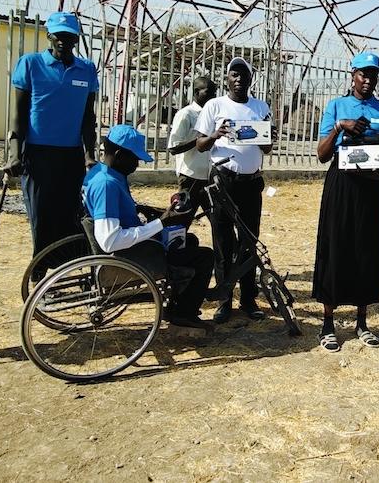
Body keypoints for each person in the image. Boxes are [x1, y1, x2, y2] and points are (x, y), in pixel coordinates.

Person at [312, 51, 379, 352]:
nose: (367, 80)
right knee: (335, 246)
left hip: (371, 188)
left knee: (367, 248)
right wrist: (340, 127)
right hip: (341, 184)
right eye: (363, 74)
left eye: (372, 74)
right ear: (352, 75)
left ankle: (362, 321)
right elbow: (322, 154)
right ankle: (327, 323)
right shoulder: (336, 106)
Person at [83, 125, 215, 328]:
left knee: (189, 240)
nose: (137, 164)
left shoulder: (100, 173)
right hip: (132, 256)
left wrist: (143, 210)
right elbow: (110, 241)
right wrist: (159, 223)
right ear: (119, 155)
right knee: (205, 256)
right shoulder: (107, 185)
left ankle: (179, 302)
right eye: (135, 159)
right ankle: (183, 313)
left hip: (134, 247)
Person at [8, 11, 99, 265]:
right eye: (59, 35)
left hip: (70, 155)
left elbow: (87, 118)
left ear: (76, 39)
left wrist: (90, 155)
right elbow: (19, 115)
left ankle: (66, 270)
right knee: (41, 215)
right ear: (49, 35)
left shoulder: (87, 69)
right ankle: (39, 270)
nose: (64, 41)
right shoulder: (30, 64)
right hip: (38, 153)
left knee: (70, 215)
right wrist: (16, 154)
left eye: (70, 37)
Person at [194, 57, 273, 323]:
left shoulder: (260, 107)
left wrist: (265, 135)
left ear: (251, 80)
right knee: (223, 242)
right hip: (223, 182)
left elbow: (268, 148)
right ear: (226, 79)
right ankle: (224, 300)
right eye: (234, 75)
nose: (239, 79)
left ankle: (249, 299)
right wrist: (216, 134)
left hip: (251, 183)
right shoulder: (215, 106)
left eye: (244, 75)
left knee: (248, 242)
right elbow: (201, 145)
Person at [167, 75, 216, 218]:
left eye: (214, 93)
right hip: (190, 177)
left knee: (217, 218)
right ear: (196, 92)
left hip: (209, 177)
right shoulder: (186, 114)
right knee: (183, 219)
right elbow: (173, 147)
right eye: (208, 93)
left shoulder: (213, 115)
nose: (212, 97)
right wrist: (200, 141)